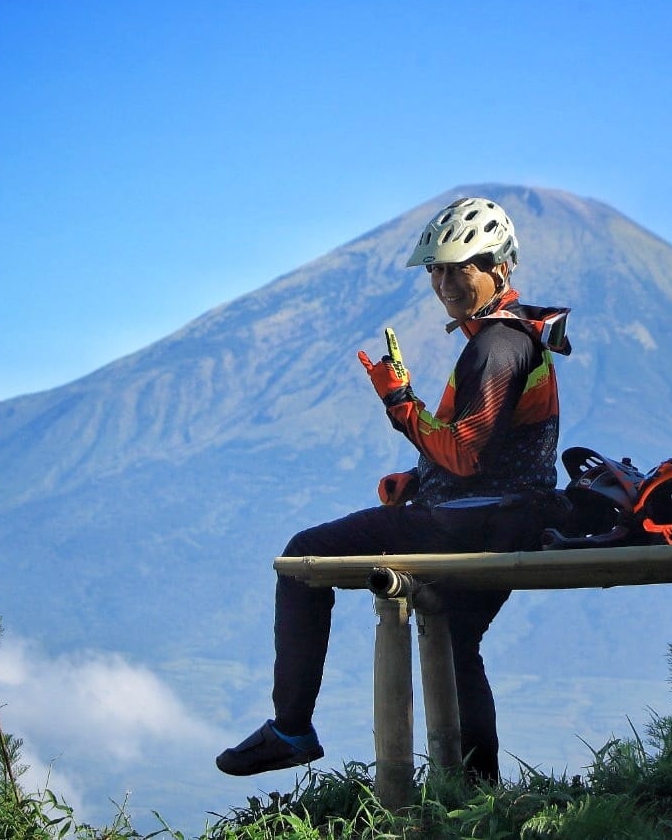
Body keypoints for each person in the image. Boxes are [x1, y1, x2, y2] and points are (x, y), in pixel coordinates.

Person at [216, 197, 572, 782]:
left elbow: (464, 451)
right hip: (509, 517)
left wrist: (398, 401)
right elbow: (489, 453)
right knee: (459, 641)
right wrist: (418, 478)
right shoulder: (514, 338)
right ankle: (479, 790)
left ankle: (291, 729)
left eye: (460, 267)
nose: (444, 281)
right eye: (435, 268)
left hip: (468, 524)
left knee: (302, 556)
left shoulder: (497, 345)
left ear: (499, 270)